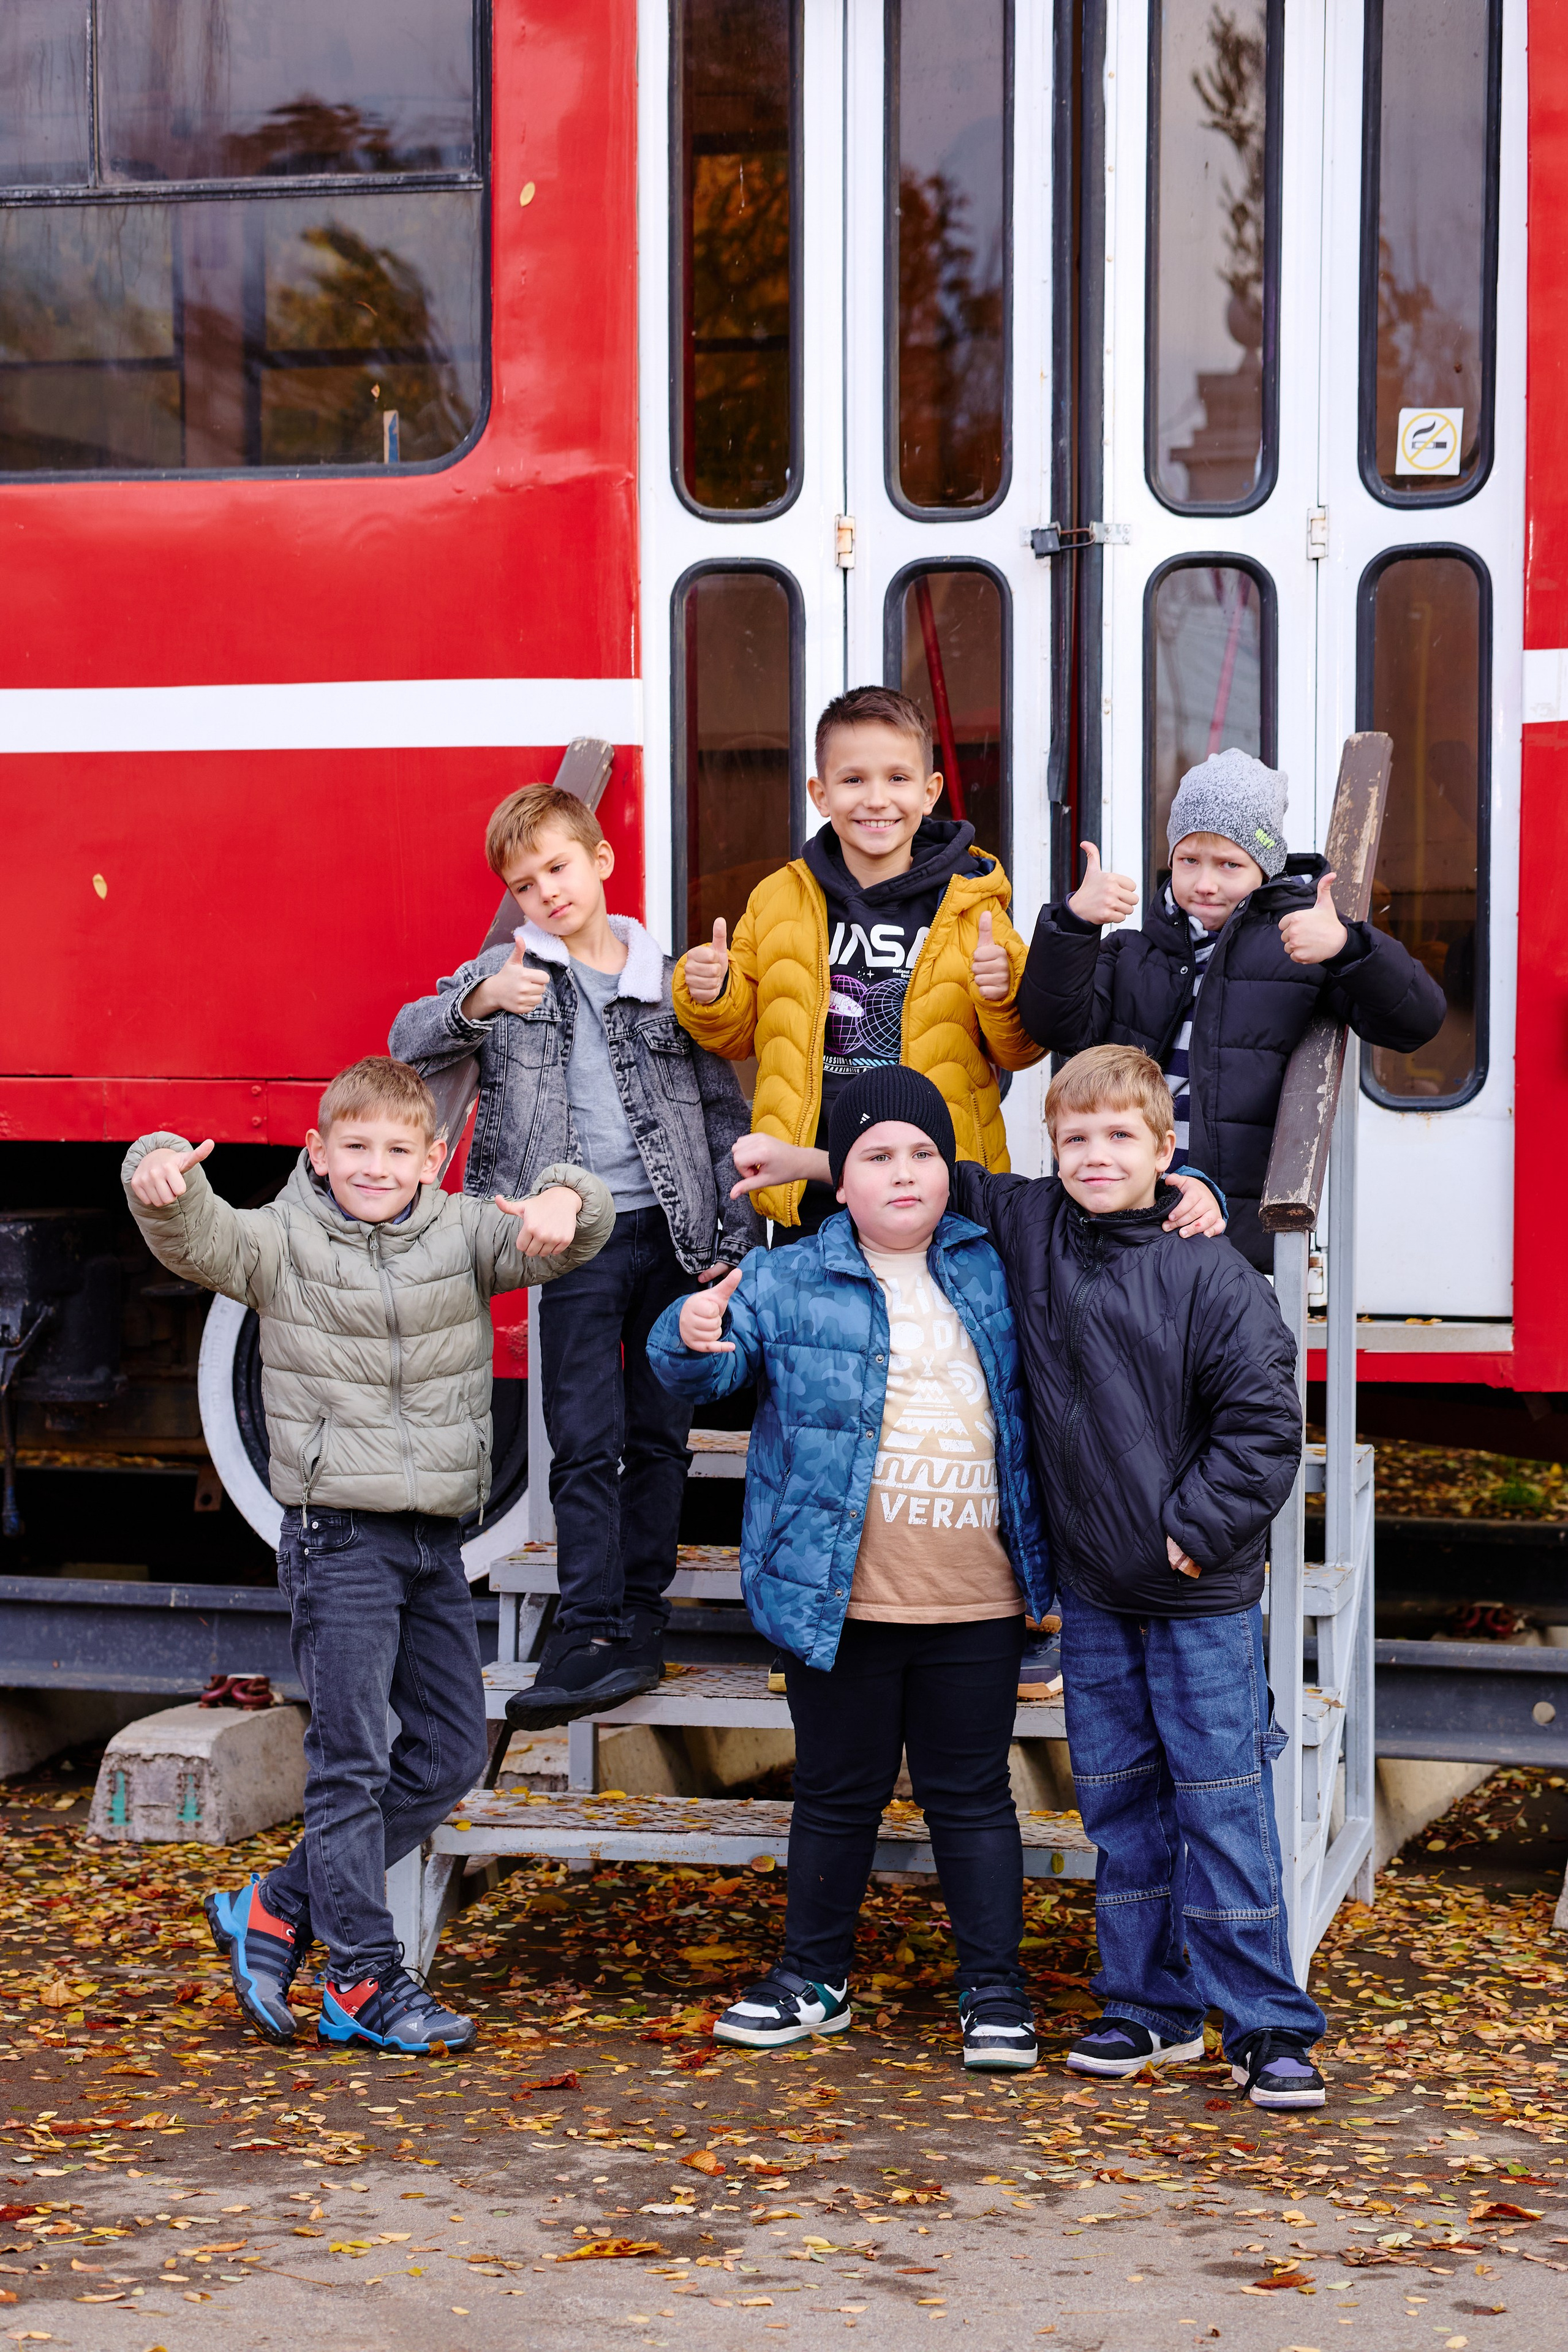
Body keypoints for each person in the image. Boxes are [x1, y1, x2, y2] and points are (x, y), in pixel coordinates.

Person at [739, 1045, 1328, 2110]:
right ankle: (1148, 2009)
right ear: (1050, 1152)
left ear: (1165, 1150)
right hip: (1097, 1598)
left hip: (1196, 1596)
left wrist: (1195, 1532)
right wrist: (801, 1157)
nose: (1096, 1157)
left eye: (1122, 1138)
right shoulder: (1030, 1225)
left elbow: (1263, 1424)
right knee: (1122, 1815)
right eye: (1075, 1139)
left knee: (1222, 1808)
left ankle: (1268, 2027)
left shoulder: (1214, 1273)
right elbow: (915, 1169)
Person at [123, 1057, 614, 2054]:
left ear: (436, 1158)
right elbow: (196, 1235)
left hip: (432, 1537)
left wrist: (570, 1197)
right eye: (356, 1148)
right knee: (351, 1761)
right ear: (319, 1152)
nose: (377, 1166)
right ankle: (362, 1978)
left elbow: (574, 1231)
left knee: (441, 1756)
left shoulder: (465, 1234)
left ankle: (279, 1904)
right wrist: (156, 1172)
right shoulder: (280, 1242)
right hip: (336, 1536)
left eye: (399, 1149)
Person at [647, 1068, 1053, 2073]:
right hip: (844, 1592)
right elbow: (706, 1360)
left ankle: (994, 1990)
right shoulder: (788, 1280)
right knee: (837, 1792)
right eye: (877, 1156)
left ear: (951, 1170)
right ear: (841, 1180)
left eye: (923, 1154)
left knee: (970, 1795)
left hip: (977, 1596)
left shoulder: (1001, 1264)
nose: (904, 1172)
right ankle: (811, 1977)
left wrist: (1202, 1194)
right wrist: (687, 1334)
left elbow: (1108, 1216)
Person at [391, 785, 760, 1728]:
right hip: (574, 1246)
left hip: (675, 1241)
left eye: (558, 867)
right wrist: (480, 999)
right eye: (525, 883)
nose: (546, 893)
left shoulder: (667, 977)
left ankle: (639, 1618)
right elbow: (406, 1040)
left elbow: (722, 1112)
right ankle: (585, 1624)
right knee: (584, 1440)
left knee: (659, 1436)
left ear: (599, 861)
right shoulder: (511, 973)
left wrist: (731, 1241)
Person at [1016, 747, 1448, 1268]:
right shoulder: (1131, 952)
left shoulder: (1301, 951)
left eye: (1229, 864)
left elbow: (1417, 1022)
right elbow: (1051, 1026)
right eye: (1188, 860)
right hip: (1123, 1213)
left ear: (1264, 869)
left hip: (1230, 1226)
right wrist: (1073, 925)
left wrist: (1347, 948)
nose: (1205, 883)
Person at [671, 684, 1045, 1239]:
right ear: (820, 795)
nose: (876, 799)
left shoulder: (974, 904)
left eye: (897, 778)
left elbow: (1019, 1050)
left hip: (939, 1184)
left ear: (929, 791)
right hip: (813, 1180)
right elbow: (740, 1036)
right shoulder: (778, 899)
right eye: (853, 780)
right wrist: (711, 993)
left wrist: (1001, 994)